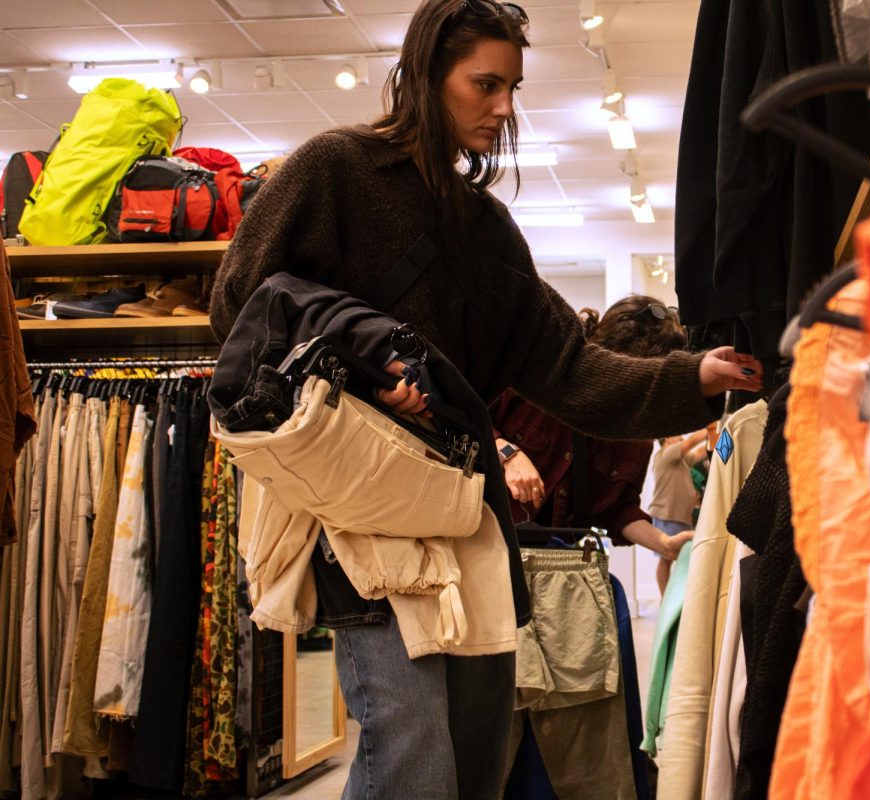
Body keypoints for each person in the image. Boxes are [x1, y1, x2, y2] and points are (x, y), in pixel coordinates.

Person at [208, 0, 763, 796]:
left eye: (513, 87)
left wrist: (695, 378)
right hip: (355, 506)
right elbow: (241, 314)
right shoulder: (334, 171)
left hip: (459, 512)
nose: (503, 107)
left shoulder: (485, 231)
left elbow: (569, 369)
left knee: (472, 754)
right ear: (427, 77)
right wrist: (358, 386)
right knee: (412, 745)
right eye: (485, 84)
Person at [491, 296, 695, 565]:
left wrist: (665, 545)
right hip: (484, 548)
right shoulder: (539, 374)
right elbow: (469, 419)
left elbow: (617, 510)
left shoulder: (635, 436)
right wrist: (508, 453)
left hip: (556, 570)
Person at [647, 424, 711, 593]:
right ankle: (665, 599)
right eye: (677, 434)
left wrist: (715, 439)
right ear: (667, 438)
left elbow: (698, 453)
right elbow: (691, 442)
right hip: (667, 516)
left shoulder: (680, 460)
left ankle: (674, 597)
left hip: (680, 517)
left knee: (679, 558)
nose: (681, 435)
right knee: (666, 558)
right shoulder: (665, 455)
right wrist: (710, 428)